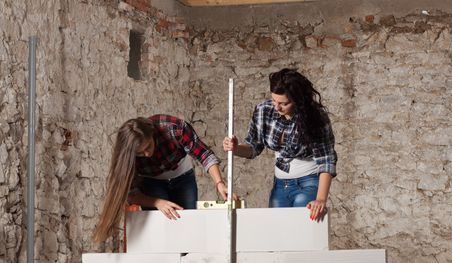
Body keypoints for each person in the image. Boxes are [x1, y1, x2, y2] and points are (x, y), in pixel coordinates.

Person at [94, 114, 233, 242]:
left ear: (152, 133)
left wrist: (219, 183)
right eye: (140, 154)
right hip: (151, 182)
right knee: (161, 231)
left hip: (183, 176)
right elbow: (129, 194)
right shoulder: (126, 156)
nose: (147, 154)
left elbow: (204, 155)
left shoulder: (174, 128)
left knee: (187, 226)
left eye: (148, 147)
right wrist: (156, 202)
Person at [223, 68, 337, 221]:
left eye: (284, 103)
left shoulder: (316, 118)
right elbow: (253, 148)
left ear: (298, 100)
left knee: (301, 232)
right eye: (274, 100)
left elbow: (326, 160)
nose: (277, 107)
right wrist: (235, 148)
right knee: (278, 235)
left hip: (308, 182)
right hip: (280, 185)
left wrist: (321, 199)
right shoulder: (264, 110)